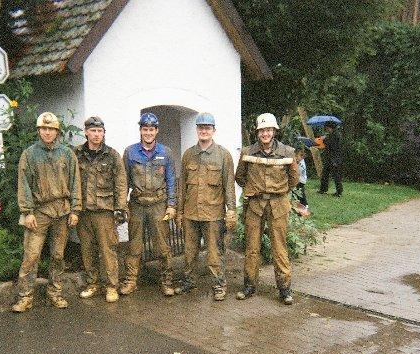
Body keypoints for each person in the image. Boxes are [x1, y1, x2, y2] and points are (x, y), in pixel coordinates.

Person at [12, 112, 82, 313]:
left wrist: (75, 210)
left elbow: (75, 182)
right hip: (39, 213)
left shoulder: (67, 154)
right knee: (31, 256)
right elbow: (23, 184)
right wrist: (27, 212)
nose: (47, 132)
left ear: (57, 131)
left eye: (51, 129)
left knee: (58, 255)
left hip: (62, 212)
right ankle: (25, 297)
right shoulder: (29, 154)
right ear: (38, 131)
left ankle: (55, 293)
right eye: (44, 128)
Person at [235, 112, 299, 305]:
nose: (265, 134)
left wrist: (278, 191)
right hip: (255, 205)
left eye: (269, 130)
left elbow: (294, 179)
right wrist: (254, 189)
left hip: (278, 205)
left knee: (279, 247)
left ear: (274, 131)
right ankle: (249, 285)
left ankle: (284, 289)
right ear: (257, 132)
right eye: (262, 130)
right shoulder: (247, 152)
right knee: (251, 247)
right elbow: (240, 177)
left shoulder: (287, 152)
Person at [174, 112, 236, 301]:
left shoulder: (223, 155)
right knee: (189, 252)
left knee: (214, 254)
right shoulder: (188, 155)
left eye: (207, 128)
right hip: (191, 214)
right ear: (197, 130)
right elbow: (182, 187)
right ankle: (189, 281)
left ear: (213, 130)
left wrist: (231, 211)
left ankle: (219, 285)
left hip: (213, 214)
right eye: (201, 128)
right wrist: (179, 212)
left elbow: (229, 186)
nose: (204, 131)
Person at [120, 112, 177, 296]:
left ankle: (167, 281)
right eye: (145, 129)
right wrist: (122, 204)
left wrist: (172, 205)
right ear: (140, 130)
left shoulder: (165, 152)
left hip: (159, 204)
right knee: (134, 245)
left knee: (162, 245)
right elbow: (123, 181)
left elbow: (171, 180)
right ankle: (131, 281)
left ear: (156, 131)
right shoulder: (130, 152)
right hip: (137, 204)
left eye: (151, 129)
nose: (148, 133)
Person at [75, 116, 128, 303]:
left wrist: (120, 208)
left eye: (100, 131)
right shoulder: (77, 154)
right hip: (83, 211)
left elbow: (121, 183)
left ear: (104, 133)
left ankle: (112, 286)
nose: (97, 135)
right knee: (87, 250)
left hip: (104, 211)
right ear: (86, 132)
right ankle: (92, 284)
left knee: (108, 251)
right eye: (93, 131)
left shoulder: (112, 155)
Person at [318, 120, 343, 197]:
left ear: (330, 127)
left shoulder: (336, 135)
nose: (326, 129)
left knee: (336, 176)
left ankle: (339, 192)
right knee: (325, 174)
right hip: (329, 158)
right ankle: (323, 189)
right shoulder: (331, 135)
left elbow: (331, 145)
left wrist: (324, 139)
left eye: (327, 127)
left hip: (334, 158)